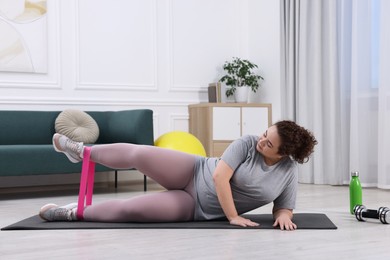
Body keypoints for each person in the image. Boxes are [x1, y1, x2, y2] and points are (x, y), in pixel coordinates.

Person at [39, 120, 317, 231]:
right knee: (140, 154)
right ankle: (82, 151)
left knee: (132, 209)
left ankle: (73, 213)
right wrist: (233, 217)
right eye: (265, 133)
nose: (262, 141)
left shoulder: (287, 173)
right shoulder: (246, 143)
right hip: (194, 170)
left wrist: (283, 215)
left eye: (268, 144)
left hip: (196, 208)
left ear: (283, 155)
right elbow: (220, 177)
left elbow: (284, 206)